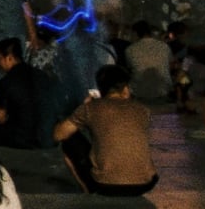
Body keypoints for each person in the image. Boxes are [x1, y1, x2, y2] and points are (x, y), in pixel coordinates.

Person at [53, 66, 157, 197]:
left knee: (69, 141)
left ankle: (88, 189)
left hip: (107, 186)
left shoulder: (90, 108)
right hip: (146, 183)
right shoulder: (143, 110)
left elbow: (58, 135)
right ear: (125, 89)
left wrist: (84, 107)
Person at [0, 39, 43, 150]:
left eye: (0, 58)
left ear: (9, 58)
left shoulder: (5, 83)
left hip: (19, 138)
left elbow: (0, 118)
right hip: (44, 134)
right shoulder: (40, 75)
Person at [122, 22, 174, 104]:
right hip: (163, 91)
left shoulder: (130, 49)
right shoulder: (164, 46)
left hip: (139, 92)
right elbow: (171, 66)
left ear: (135, 33)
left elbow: (129, 68)